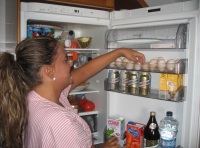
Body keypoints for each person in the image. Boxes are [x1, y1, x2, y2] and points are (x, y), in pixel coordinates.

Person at [0, 37, 145, 148]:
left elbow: (85, 71)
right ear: (49, 71)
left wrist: (119, 52)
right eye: (65, 60)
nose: (71, 63)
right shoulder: (59, 121)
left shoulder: (36, 96)